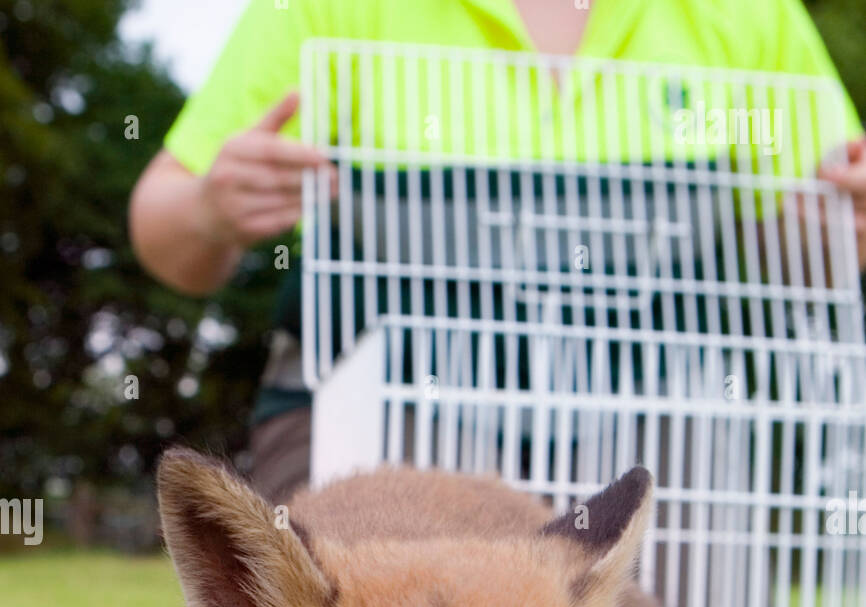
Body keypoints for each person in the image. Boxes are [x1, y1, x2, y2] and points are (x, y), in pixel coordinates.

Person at [130, 0, 866, 499]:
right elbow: (163, 228)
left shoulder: (750, 14)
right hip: (385, 409)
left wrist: (843, 222)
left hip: (648, 417)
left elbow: (803, 257)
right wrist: (210, 209)